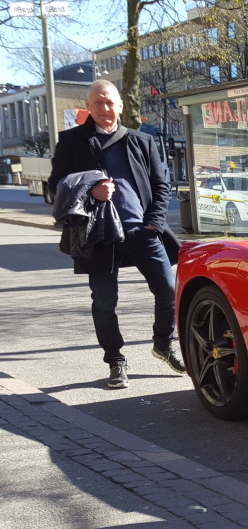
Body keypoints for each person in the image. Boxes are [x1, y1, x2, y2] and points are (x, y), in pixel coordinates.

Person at [49, 79, 184, 389]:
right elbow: (56, 186)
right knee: (104, 303)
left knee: (167, 291)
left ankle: (163, 344)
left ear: (120, 106)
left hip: (142, 230)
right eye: (98, 102)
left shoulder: (141, 141)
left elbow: (161, 185)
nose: (105, 108)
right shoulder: (71, 141)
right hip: (98, 234)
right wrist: (90, 191)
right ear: (89, 107)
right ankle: (116, 360)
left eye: (110, 102)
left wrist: (154, 221)